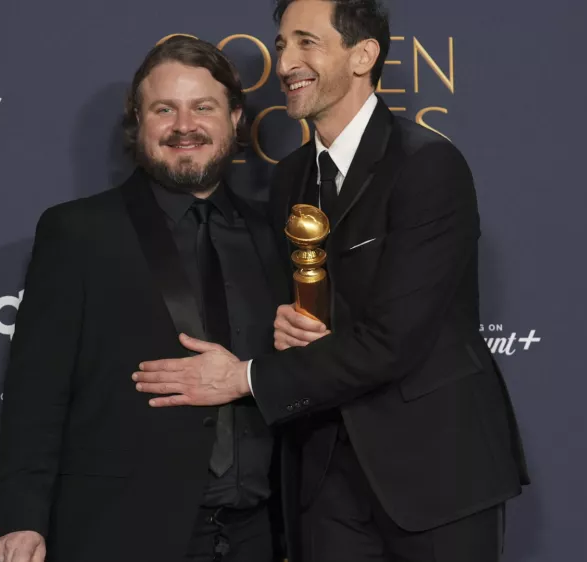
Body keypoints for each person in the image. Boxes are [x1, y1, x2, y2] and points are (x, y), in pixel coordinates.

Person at [134, 1, 529, 561]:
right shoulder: (291, 177)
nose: (285, 63)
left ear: (364, 54)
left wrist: (246, 377)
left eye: (305, 43)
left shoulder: (428, 166)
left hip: (436, 475)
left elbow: (395, 339)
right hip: (324, 479)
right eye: (281, 46)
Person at [0, 36, 287, 562]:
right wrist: (20, 520)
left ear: (235, 119)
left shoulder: (272, 233)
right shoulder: (78, 232)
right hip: (121, 530)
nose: (183, 126)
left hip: (255, 535)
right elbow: (36, 390)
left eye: (203, 107)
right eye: (163, 109)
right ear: (138, 121)